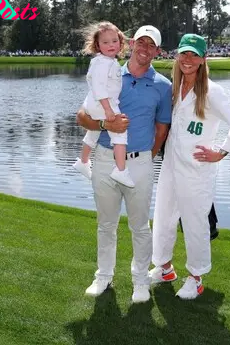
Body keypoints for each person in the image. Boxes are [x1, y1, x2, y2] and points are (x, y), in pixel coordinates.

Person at [149, 33, 230, 300]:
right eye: (184, 53)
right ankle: (164, 267)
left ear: (204, 58)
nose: (188, 59)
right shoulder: (173, 88)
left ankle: (196, 277)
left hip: (197, 171)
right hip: (170, 165)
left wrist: (221, 151)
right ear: (177, 56)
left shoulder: (212, 91)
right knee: (163, 218)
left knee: (195, 224)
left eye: (194, 54)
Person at [75, 25, 172, 303]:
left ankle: (140, 279)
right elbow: (82, 116)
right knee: (106, 224)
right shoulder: (110, 71)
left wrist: (146, 157)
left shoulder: (163, 87)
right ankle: (103, 276)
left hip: (140, 162)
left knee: (140, 226)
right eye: (140, 42)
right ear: (131, 43)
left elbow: (162, 128)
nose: (144, 48)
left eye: (150, 45)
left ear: (157, 51)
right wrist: (107, 123)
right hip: (105, 158)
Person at [72, 21, 135, 188]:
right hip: (103, 103)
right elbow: (99, 87)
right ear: (97, 45)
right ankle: (121, 170)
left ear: (121, 42)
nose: (111, 45)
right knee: (120, 131)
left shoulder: (106, 61)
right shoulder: (103, 63)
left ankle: (83, 162)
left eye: (114, 41)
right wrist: (108, 110)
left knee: (93, 132)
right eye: (105, 42)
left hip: (93, 103)